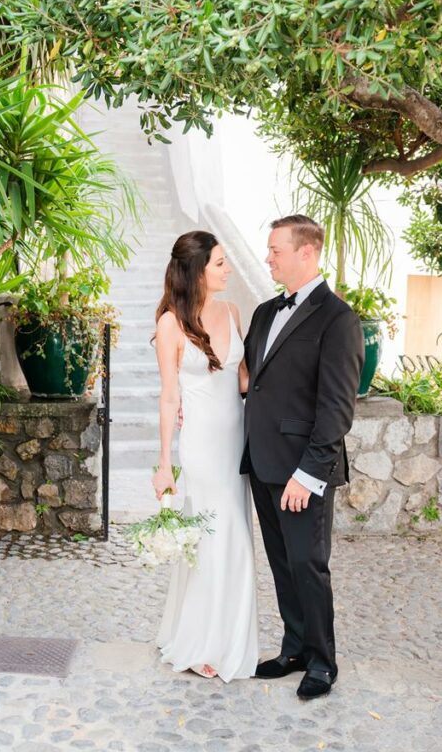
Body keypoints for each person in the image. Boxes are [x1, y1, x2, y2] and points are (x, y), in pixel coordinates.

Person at [241, 214, 364, 700]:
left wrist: (308, 474)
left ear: (306, 253)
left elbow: (336, 408)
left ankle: (321, 662)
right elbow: (254, 382)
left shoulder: (339, 320)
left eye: (276, 249)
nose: (268, 257)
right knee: (281, 563)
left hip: (302, 471)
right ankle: (292, 647)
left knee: (309, 565)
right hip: (263, 462)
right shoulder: (264, 312)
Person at [152, 230, 258, 682]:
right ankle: (202, 641)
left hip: (235, 443)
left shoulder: (232, 312)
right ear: (196, 270)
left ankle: (231, 638)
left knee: (236, 539)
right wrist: (163, 464)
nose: (228, 268)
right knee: (211, 540)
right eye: (219, 263)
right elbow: (169, 398)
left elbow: (245, 382)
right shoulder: (170, 324)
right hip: (200, 448)